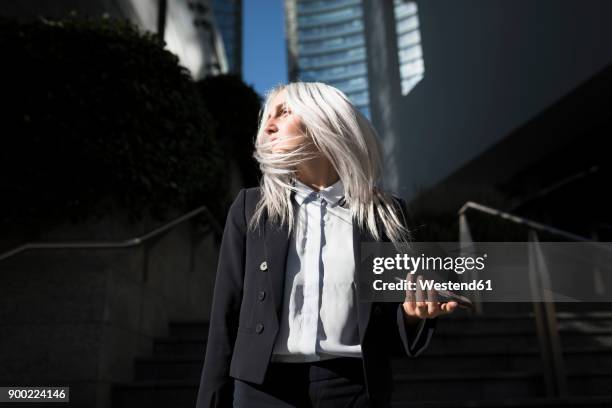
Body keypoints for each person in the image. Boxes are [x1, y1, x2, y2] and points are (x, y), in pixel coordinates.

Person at [195, 82, 458, 408]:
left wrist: (411, 314)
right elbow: (225, 317)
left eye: (284, 112)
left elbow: (387, 326)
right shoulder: (251, 208)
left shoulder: (385, 213)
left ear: (325, 120)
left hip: (354, 389)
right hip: (262, 389)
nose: (269, 125)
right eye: (267, 117)